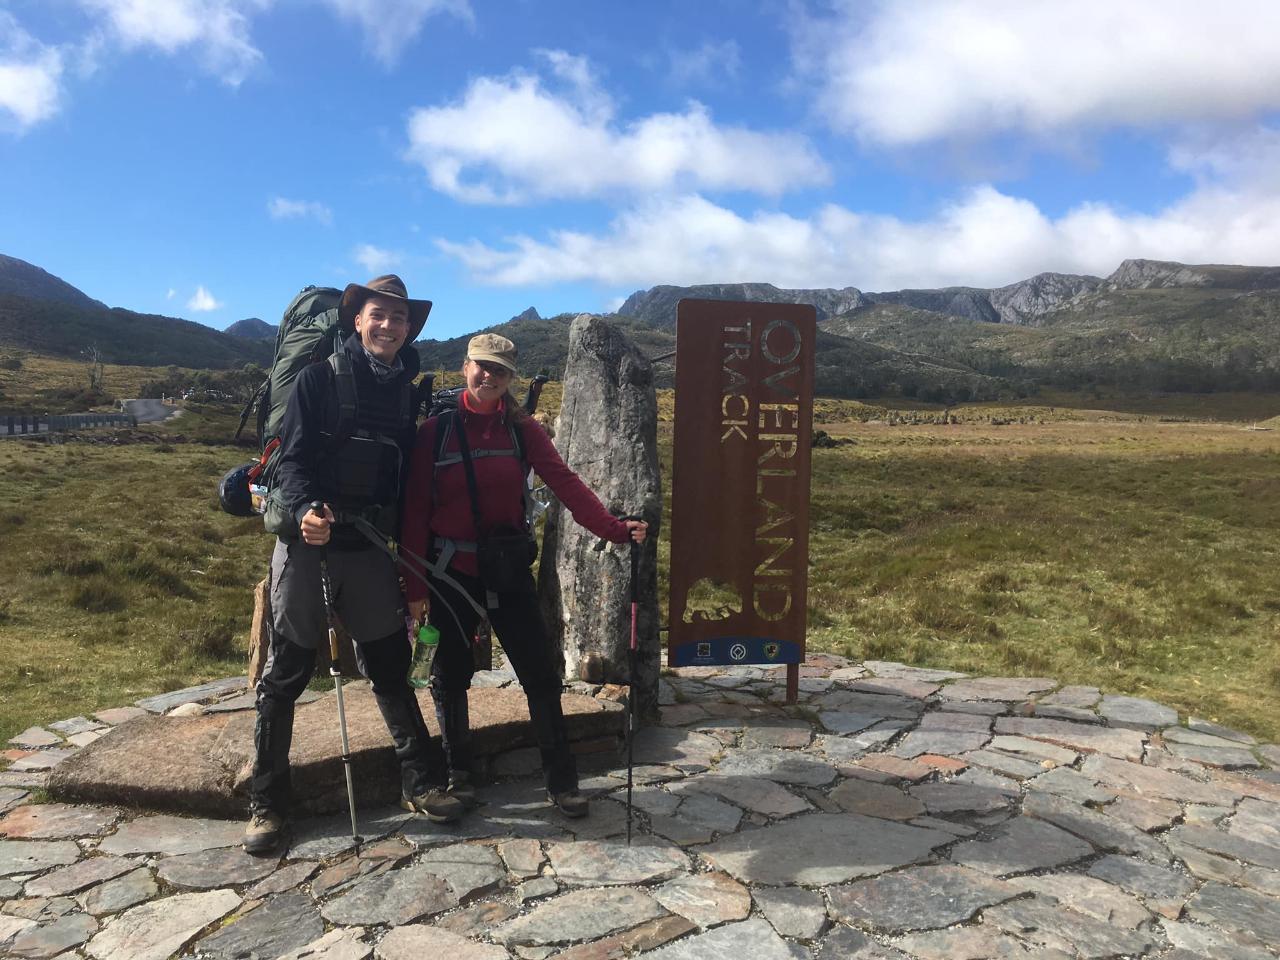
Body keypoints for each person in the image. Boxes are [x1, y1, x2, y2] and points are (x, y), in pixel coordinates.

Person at [244, 274, 463, 855]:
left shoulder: (405, 391)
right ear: (357, 320)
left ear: (408, 327)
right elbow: (292, 462)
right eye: (378, 314)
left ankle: (422, 782)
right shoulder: (316, 380)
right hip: (309, 541)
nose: (389, 325)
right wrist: (309, 510)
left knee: (389, 664)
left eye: (399, 317)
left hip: (368, 547)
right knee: (286, 673)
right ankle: (267, 804)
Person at [401, 333, 647, 818]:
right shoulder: (435, 432)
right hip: (449, 574)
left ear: (510, 377)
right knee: (449, 677)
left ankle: (562, 781)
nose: (487, 376)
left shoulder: (522, 430)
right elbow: (413, 513)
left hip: (507, 569)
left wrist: (614, 531)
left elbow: (566, 483)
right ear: (464, 366)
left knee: (539, 673)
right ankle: (459, 776)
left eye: (499, 370)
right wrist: (413, 589)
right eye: (480, 366)